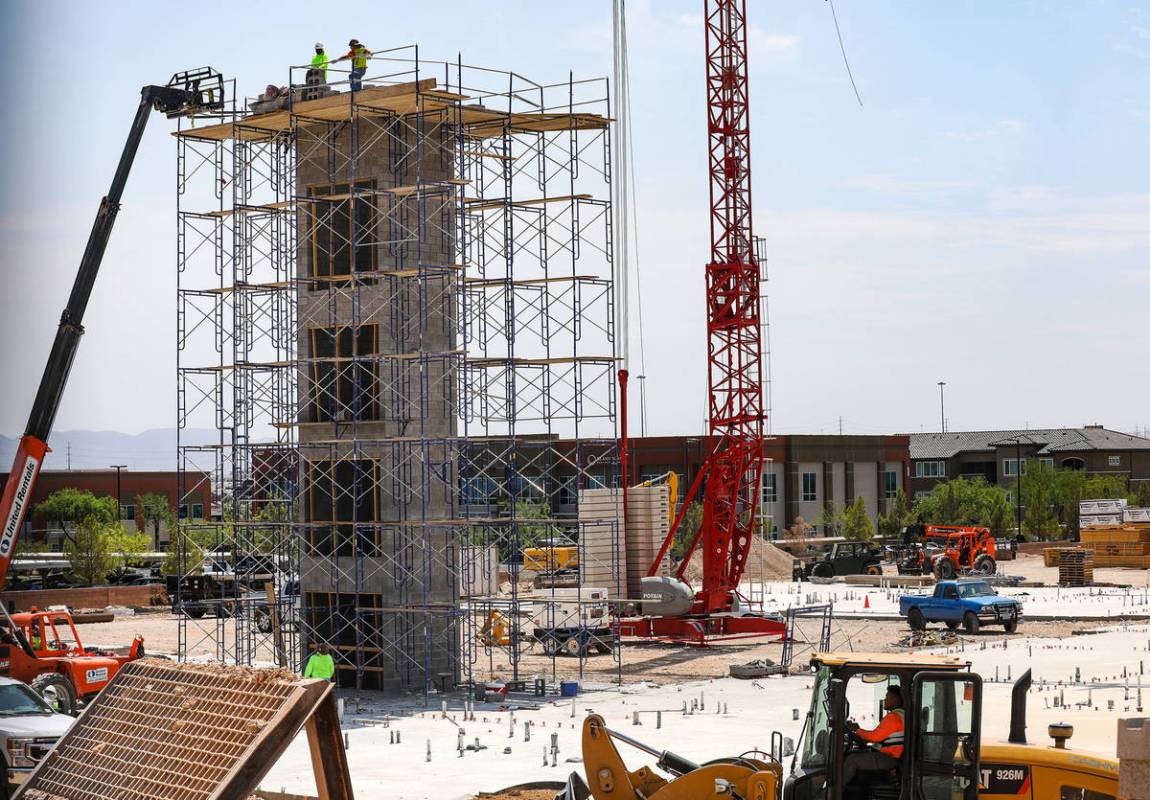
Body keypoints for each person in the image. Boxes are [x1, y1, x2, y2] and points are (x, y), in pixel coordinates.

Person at [842, 684, 905, 786]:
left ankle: (834, 792)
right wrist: (859, 733)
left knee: (851, 760)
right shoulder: (901, 715)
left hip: (888, 758)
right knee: (856, 753)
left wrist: (857, 730)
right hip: (891, 756)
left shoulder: (893, 717)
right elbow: (879, 737)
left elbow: (874, 737)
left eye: (887, 697)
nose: (884, 700)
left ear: (895, 699)